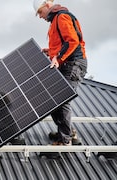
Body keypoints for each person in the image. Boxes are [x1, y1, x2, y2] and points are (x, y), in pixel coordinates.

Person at [34, 0, 88, 145]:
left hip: (73, 64)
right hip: (66, 63)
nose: (40, 16)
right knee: (53, 99)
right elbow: (62, 43)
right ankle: (67, 131)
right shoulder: (55, 20)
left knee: (61, 99)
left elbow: (72, 42)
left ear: (46, 6)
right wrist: (50, 51)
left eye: (39, 12)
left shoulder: (62, 16)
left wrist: (58, 57)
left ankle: (65, 139)